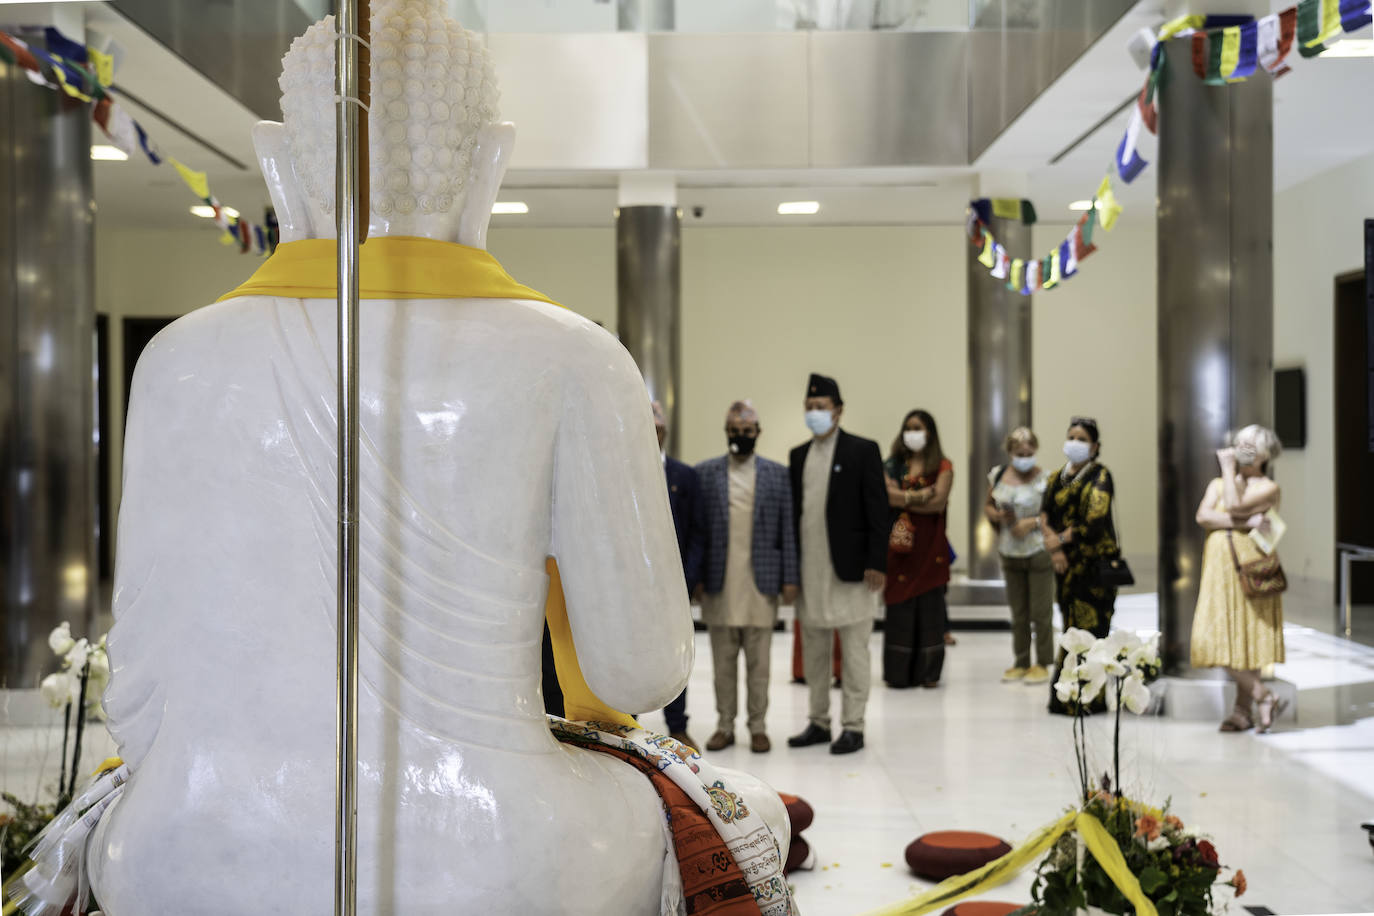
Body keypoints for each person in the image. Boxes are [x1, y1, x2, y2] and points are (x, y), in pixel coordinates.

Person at [787, 373, 888, 754]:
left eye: (821, 407)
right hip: (810, 571)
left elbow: (879, 511)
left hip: (853, 572)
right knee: (814, 652)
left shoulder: (863, 451)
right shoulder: (798, 456)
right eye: (809, 407)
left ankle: (853, 726)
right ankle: (817, 722)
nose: (815, 413)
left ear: (839, 411)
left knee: (855, 652)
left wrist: (877, 561)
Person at [694, 401, 800, 753]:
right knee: (722, 664)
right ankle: (725, 725)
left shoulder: (777, 474)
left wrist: (790, 577)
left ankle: (758, 726)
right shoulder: (706, 474)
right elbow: (699, 532)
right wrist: (694, 579)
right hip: (720, 583)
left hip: (761, 583)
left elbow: (788, 529)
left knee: (760, 665)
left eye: (747, 431)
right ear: (727, 433)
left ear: (758, 433)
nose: (741, 436)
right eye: (735, 431)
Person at [1190, 425, 1287, 733]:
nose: (1240, 448)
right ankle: (1263, 695)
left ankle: (1242, 712)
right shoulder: (1218, 484)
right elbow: (1203, 517)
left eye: (1249, 445)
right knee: (1210, 639)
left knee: (1248, 639)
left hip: (1251, 567)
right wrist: (1247, 520)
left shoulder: (1267, 488)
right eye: (1239, 443)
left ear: (1264, 454)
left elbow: (1231, 506)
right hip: (1218, 572)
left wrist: (1229, 468)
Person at [1040, 417, 1120, 715]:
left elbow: (1094, 521)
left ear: (1095, 446)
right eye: (1071, 436)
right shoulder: (1056, 477)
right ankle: (1064, 697)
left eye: (1082, 438)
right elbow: (1044, 514)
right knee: (1070, 629)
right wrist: (1054, 547)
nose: (1074, 442)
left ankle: (1089, 701)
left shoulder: (1100, 475)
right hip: (1065, 569)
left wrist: (1059, 540)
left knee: (1091, 632)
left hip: (1094, 569)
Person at [881, 409, 954, 689]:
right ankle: (899, 673)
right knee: (900, 608)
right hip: (900, 549)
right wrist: (919, 496)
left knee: (930, 609)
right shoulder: (893, 464)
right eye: (908, 427)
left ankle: (929, 673)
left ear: (930, 434)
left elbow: (938, 502)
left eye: (918, 428)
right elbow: (885, 495)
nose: (912, 433)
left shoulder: (943, 466)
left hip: (930, 547)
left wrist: (903, 499)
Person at [653, 399, 707, 748]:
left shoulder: (684, 476)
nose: (651, 435)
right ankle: (628, 723)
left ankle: (677, 724)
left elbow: (698, 533)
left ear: (665, 432)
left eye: (657, 429)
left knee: (674, 656)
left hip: (675, 584)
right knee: (632, 653)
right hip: (634, 587)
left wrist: (688, 580)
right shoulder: (620, 472)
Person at [985, 427, 1053, 685]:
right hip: (1009, 551)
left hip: (1037, 551)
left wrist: (1033, 521)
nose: (1024, 457)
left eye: (1029, 452)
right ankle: (1021, 661)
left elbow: (1051, 513)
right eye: (1019, 453)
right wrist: (997, 516)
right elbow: (988, 505)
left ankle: (1043, 661)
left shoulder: (1046, 479)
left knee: (1041, 612)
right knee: (1019, 613)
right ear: (1010, 452)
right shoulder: (999, 476)